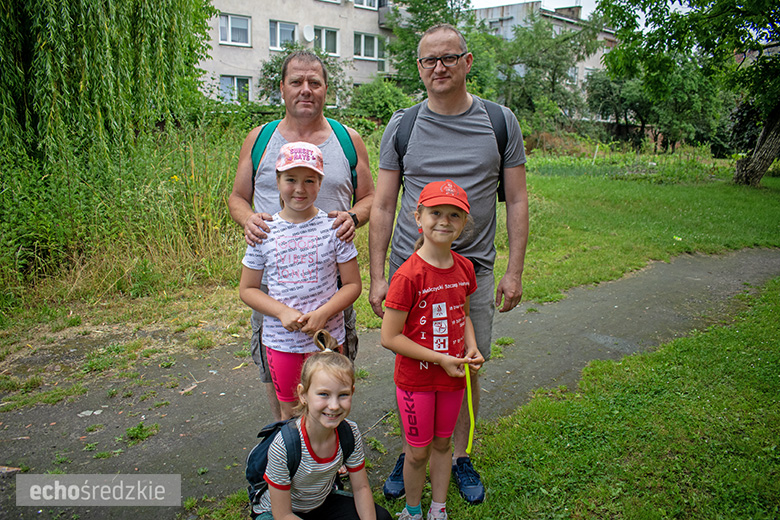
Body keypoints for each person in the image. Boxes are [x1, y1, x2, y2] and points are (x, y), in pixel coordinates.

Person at [368, 23, 529, 504]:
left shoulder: (500, 122)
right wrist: (378, 275)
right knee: (412, 369)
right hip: (411, 273)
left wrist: (514, 270)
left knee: (466, 367)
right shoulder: (403, 125)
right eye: (427, 60)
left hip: (472, 273)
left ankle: (459, 456)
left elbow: (516, 200)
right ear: (418, 68)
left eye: (448, 57)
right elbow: (382, 204)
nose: (438, 67)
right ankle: (412, 450)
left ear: (467, 61)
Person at [229, 50, 374, 421]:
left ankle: (331, 457)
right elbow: (237, 198)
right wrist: (248, 221)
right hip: (276, 290)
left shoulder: (348, 140)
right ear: (282, 88)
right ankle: (288, 453)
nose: (305, 89)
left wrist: (354, 217)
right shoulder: (259, 139)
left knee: (331, 382)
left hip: (330, 287)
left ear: (326, 88)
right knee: (284, 389)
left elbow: (374, 199)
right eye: (296, 82)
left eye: (314, 82)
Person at [380, 180, 485, 520]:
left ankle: (438, 509)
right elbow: (390, 337)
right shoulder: (408, 276)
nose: (444, 221)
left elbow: (464, 315)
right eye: (435, 212)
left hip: (454, 378)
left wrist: (471, 348)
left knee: (442, 446)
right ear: (418, 216)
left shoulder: (465, 268)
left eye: (454, 215)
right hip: (416, 381)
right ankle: (413, 511)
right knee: (416, 452)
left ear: (464, 223)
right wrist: (440, 358)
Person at [240, 142, 362, 420]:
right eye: (291, 179)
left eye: (309, 180)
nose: (300, 188)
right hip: (281, 343)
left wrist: (324, 314)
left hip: (325, 340)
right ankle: (295, 461)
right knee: (290, 410)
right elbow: (247, 289)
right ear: (278, 181)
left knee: (330, 407)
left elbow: (353, 285)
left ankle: (330, 459)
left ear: (321, 183)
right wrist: (282, 312)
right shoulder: (263, 231)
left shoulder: (335, 229)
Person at [253, 329, 392, 520]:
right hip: (280, 513)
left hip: (321, 504)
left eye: (343, 395)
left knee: (380, 517)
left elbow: (361, 488)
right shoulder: (284, 445)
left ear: (352, 392)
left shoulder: (349, 432)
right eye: (323, 394)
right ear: (303, 395)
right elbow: (282, 514)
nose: (334, 406)